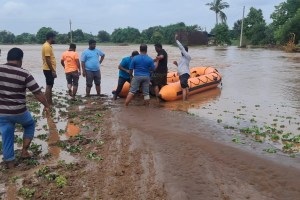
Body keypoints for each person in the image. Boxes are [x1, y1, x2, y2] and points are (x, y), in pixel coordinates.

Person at [0, 48, 50, 169]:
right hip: (19, 111)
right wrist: (46, 105)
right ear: (20, 59)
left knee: (7, 136)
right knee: (29, 124)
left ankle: (10, 163)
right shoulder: (24, 74)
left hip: (2, 113)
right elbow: (37, 93)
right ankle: (24, 151)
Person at [173, 34, 191, 101]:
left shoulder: (188, 57)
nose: (181, 52)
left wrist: (176, 39)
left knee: (183, 88)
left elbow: (182, 48)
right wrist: (176, 64)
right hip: (182, 74)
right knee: (185, 87)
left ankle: (184, 102)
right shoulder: (182, 58)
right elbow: (181, 67)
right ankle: (187, 99)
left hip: (185, 74)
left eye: (182, 51)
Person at [42, 32, 57, 105]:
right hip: (48, 69)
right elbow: (48, 59)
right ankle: (47, 103)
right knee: (49, 86)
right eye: (54, 37)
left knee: (50, 85)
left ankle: (49, 102)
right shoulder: (47, 46)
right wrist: (53, 70)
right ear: (51, 38)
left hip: (48, 69)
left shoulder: (47, 45)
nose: (55, 39)